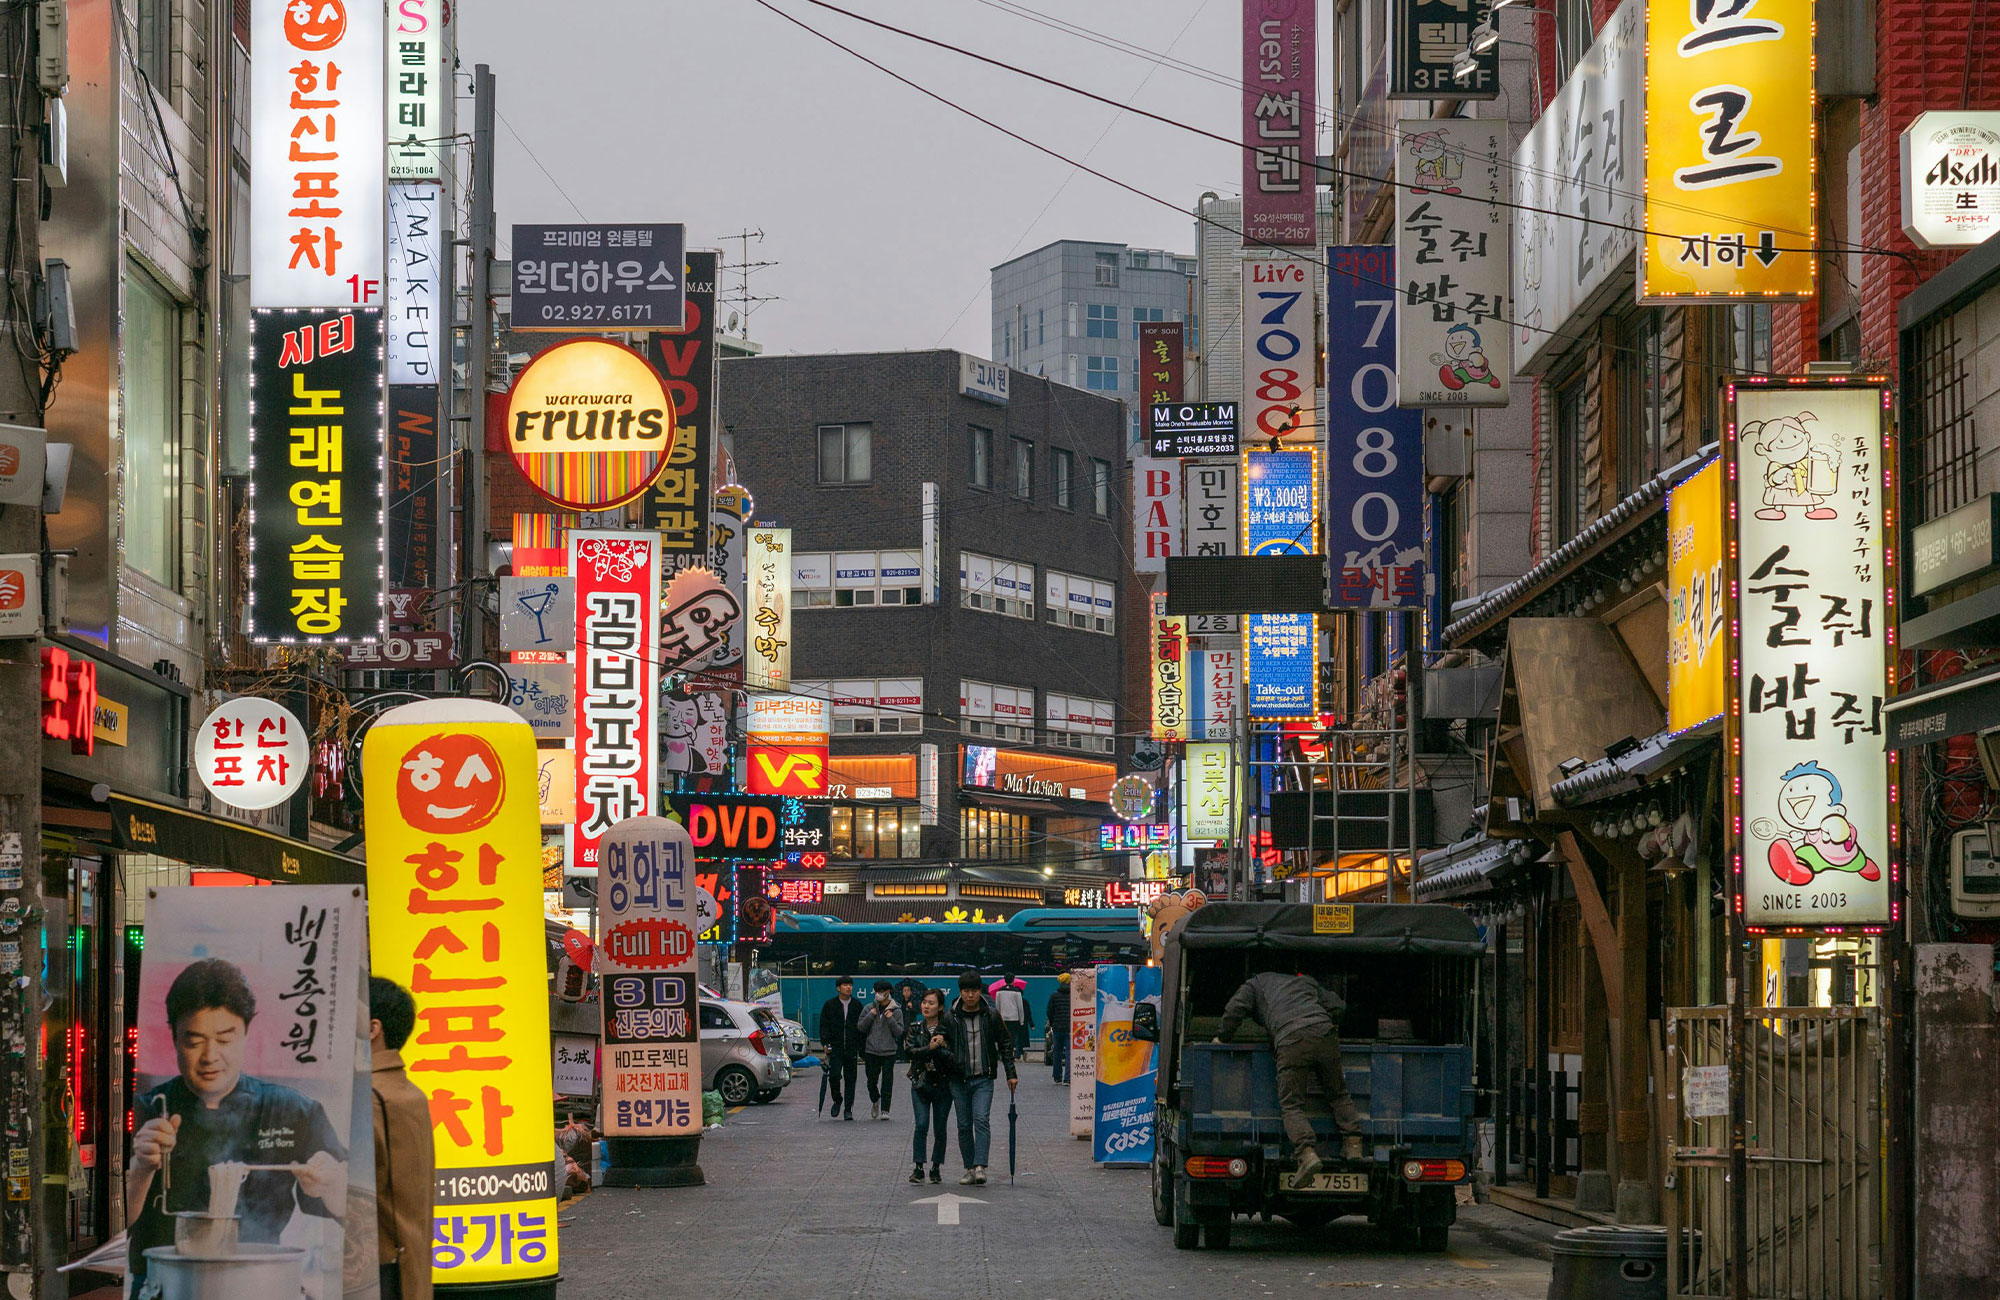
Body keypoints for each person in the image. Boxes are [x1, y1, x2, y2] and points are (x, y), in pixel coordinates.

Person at [127, 959, 348, 1292]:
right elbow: (114, 1227)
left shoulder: (292, 1111)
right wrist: (141, 1170)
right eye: (194, 1041)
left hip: (260, 1284)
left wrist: (331, 1183)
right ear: (174, 1038)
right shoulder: (145, 1112)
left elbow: (353, 1211)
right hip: (167, 1285)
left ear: (246, 1034)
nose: (210, 1056)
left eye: (225, 1039)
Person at [1214, 970, 1365, 1188]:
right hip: (1325, 1033)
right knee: (1338, 1094)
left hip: (1291, 1038)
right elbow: (1339, 1006)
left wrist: (1223, 1037)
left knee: (1291, 1105)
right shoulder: (1306, 981)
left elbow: (1235, 1009)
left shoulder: (1255, 984)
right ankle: (1353, 1145)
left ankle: (1306, 1154)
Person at [370, 977, 435, 1300]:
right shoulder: (411, 1094)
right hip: (411, 1267)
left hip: (377, 1271)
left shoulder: (369, 1098)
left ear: (372, 1029)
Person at [946, 972, 1017, 1185]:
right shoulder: (951, 1017)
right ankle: (968, 1167)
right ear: (960, 992)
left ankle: (980, 1166)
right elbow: (941, 1042)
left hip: (983, 1078)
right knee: (964, 1124)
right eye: (966, 991)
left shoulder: (991, 1015)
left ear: (980, 991)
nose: (970, 995)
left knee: (981, 1119)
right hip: (958, 1079)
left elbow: (1004, 1044)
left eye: (974, 991)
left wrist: (1011, 1074)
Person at [903, 989, 957, 1184]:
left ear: (940, 1007)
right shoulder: (915, 1028)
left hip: (943, 1085)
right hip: (920, 1083)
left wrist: (942, 1046)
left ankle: (935, 1167)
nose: (926, 1006)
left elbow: (955, 1058)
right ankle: (918, 1167)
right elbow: (909, 1051)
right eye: (924, 1002)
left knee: (940, 1128)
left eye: (931, 1003)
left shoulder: (948, 1029)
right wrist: (930, 1048)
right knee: (922, 1124)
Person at [857, 980, 907, 1120]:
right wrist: (871, 1015)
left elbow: (899, 1032)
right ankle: (875, 1099)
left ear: (888, 992)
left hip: (889, 1051)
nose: (878, 994)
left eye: (881, 992)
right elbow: (860, 1027)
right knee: (871, 1080)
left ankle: (885, 1110)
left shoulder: (896, 1010)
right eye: (876, 992)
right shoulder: (869, 1008)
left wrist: (890, 1019)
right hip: (871, 1051)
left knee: (887, 1081)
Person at [818, 974, 865, 1120]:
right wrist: (825, 1043)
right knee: (834, 1076)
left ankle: (848, 1109)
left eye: (850, 985)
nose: (849, 987)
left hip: (851, 1048)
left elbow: (862, 1028)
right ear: (838, 988)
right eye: (845, 985)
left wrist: (861, 1048)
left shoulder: (857, 1005)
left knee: (851, 1079)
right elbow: (824, 1026)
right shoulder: (830, 1005)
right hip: (836, 1048)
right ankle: (837, 1099)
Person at [989, 971, 1033, 1058]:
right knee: (1014, 1036)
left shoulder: (999, 992)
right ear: (1013, 980)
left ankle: (1004, 1053)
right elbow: (1020, 1007)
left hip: (1003, 1018)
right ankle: (1013, 1054)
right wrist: (1022, 1020)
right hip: (1014, 1018)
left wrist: (998, 1019)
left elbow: (997, 1007)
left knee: (1003, 1036)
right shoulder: (1017, 992)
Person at [1045, 973, 1073, 1084]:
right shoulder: (1074, 995)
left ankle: (1057, 1076)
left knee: (1057, 1051)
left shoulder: (1054, 995)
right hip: (1071, 1027)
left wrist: (1053, 1023)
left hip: (1057, 1027)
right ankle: (1068, 1078)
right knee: (1069, 1052)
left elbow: (1049, 1012)